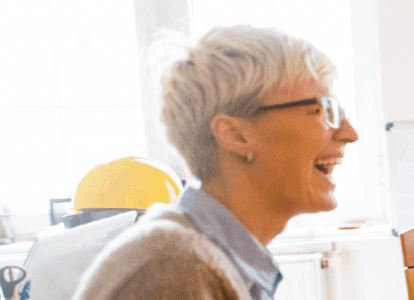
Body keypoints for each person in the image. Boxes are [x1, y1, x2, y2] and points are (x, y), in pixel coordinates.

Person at [73, 25, 360, 299]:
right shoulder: (174, 268)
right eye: (323, 111)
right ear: (235, 134)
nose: (350, 134)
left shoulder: (200, 258)